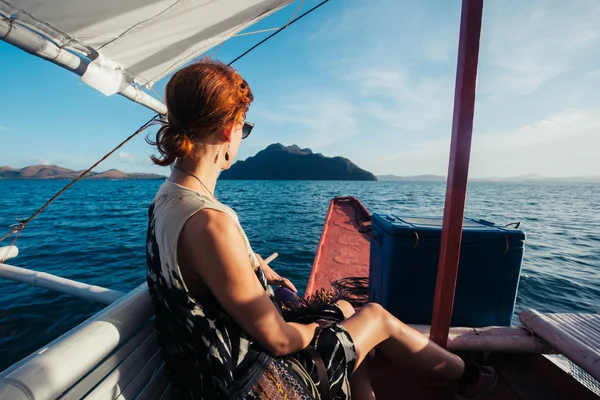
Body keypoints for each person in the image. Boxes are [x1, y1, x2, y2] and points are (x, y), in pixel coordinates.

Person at [145, 59, 498, 400]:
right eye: (244, 128)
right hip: (256, 386)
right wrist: (315, 329)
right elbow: (280, 340)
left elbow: (212, 263)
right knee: (374, 318)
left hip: (209, 378)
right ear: (228, 129)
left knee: (345, 310)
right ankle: (471, 377)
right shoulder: (209, 221)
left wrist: (261, 269)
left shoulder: (168, 199)